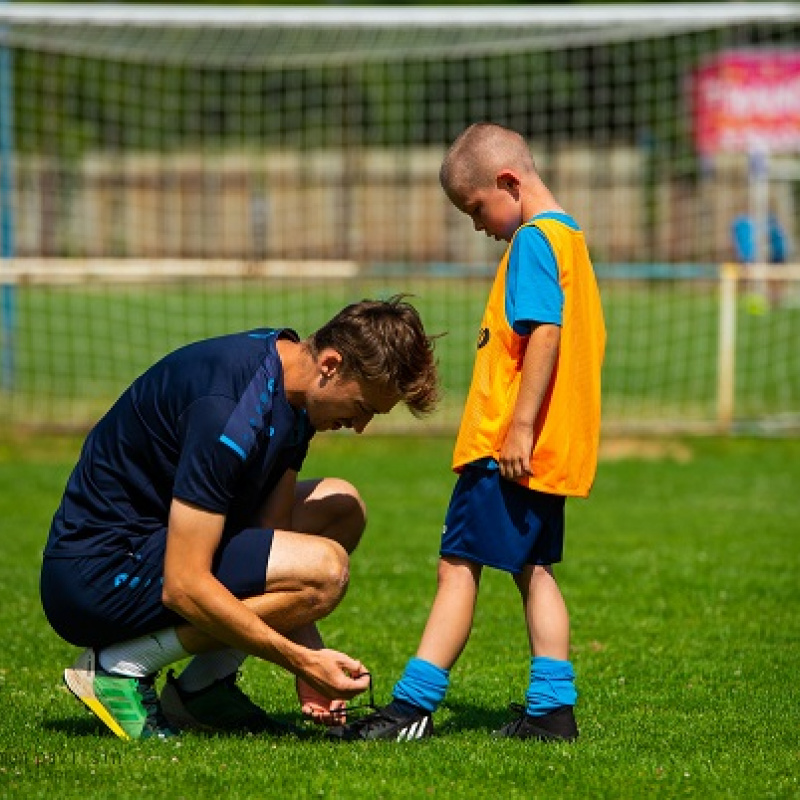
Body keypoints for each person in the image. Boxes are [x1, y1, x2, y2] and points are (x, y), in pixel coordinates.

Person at [40, 296, 440, 740]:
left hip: (152, 545)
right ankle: (121, 669)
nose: (361, 425)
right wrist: (300, 659)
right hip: (95, 573)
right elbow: (184, 583)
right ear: (330, 364)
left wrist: (312, 655)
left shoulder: (295, 393)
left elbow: (271, 539)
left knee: (340, 507)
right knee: (325, 570)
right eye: (364, 406)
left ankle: (203, 689)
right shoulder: (229, 408)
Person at [329, 123, 606, 743]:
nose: (478, 224)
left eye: (477, 207)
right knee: (532, 567)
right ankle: (553, 711)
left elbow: (546, 334)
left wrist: (520, 427)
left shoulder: (535, 241)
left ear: (509, 182)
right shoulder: (570, 240)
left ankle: (412, 709)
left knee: (457, 567)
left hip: (507, 446)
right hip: (542, 448)